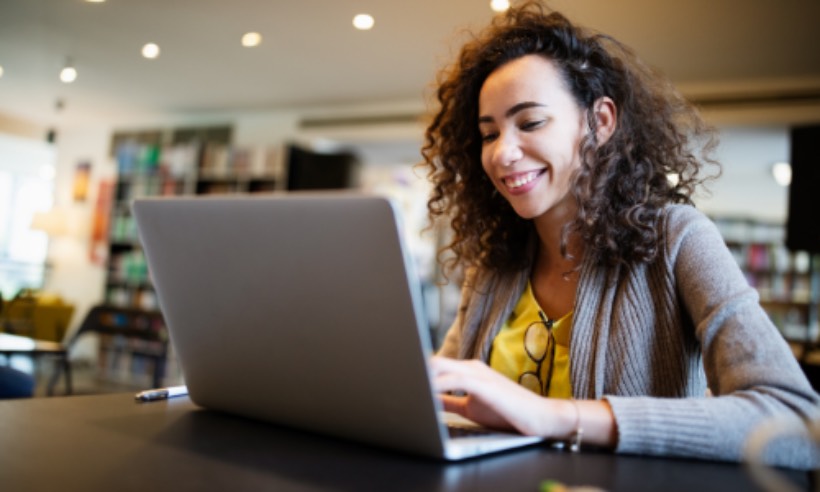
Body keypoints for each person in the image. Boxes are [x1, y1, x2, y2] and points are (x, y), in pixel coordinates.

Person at [421, 1, 819, 469]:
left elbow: (797, 423)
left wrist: (553, 416)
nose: (503, 153)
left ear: (601, 121)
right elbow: (440, 389)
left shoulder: (678, 239)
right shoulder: (494, 265)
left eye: (530, 122)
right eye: (489, 134)